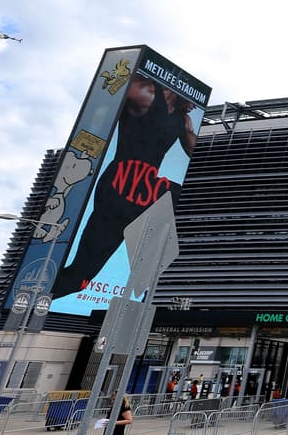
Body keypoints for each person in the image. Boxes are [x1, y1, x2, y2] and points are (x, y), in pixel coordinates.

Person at [52, 75, 198, 299]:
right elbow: (103, 100)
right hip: (119, 185)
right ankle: (32, 299)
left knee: (191, 200)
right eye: (192, 99)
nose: (195, 105)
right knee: (79, 279)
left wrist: (189, 132)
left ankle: (159, 287)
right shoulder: (143, 91)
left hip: (146, 189)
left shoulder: (183, 119)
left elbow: (194, 153)